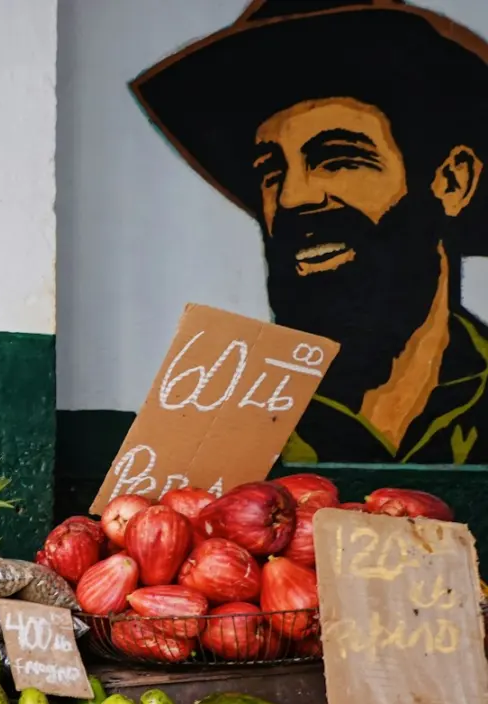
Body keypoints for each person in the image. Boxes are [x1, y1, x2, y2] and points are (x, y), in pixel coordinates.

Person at [132, 0, 488, 464]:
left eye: (339, 158)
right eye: (271, 170)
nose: (292, 198)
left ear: (451, 182)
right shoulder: (221, 411)